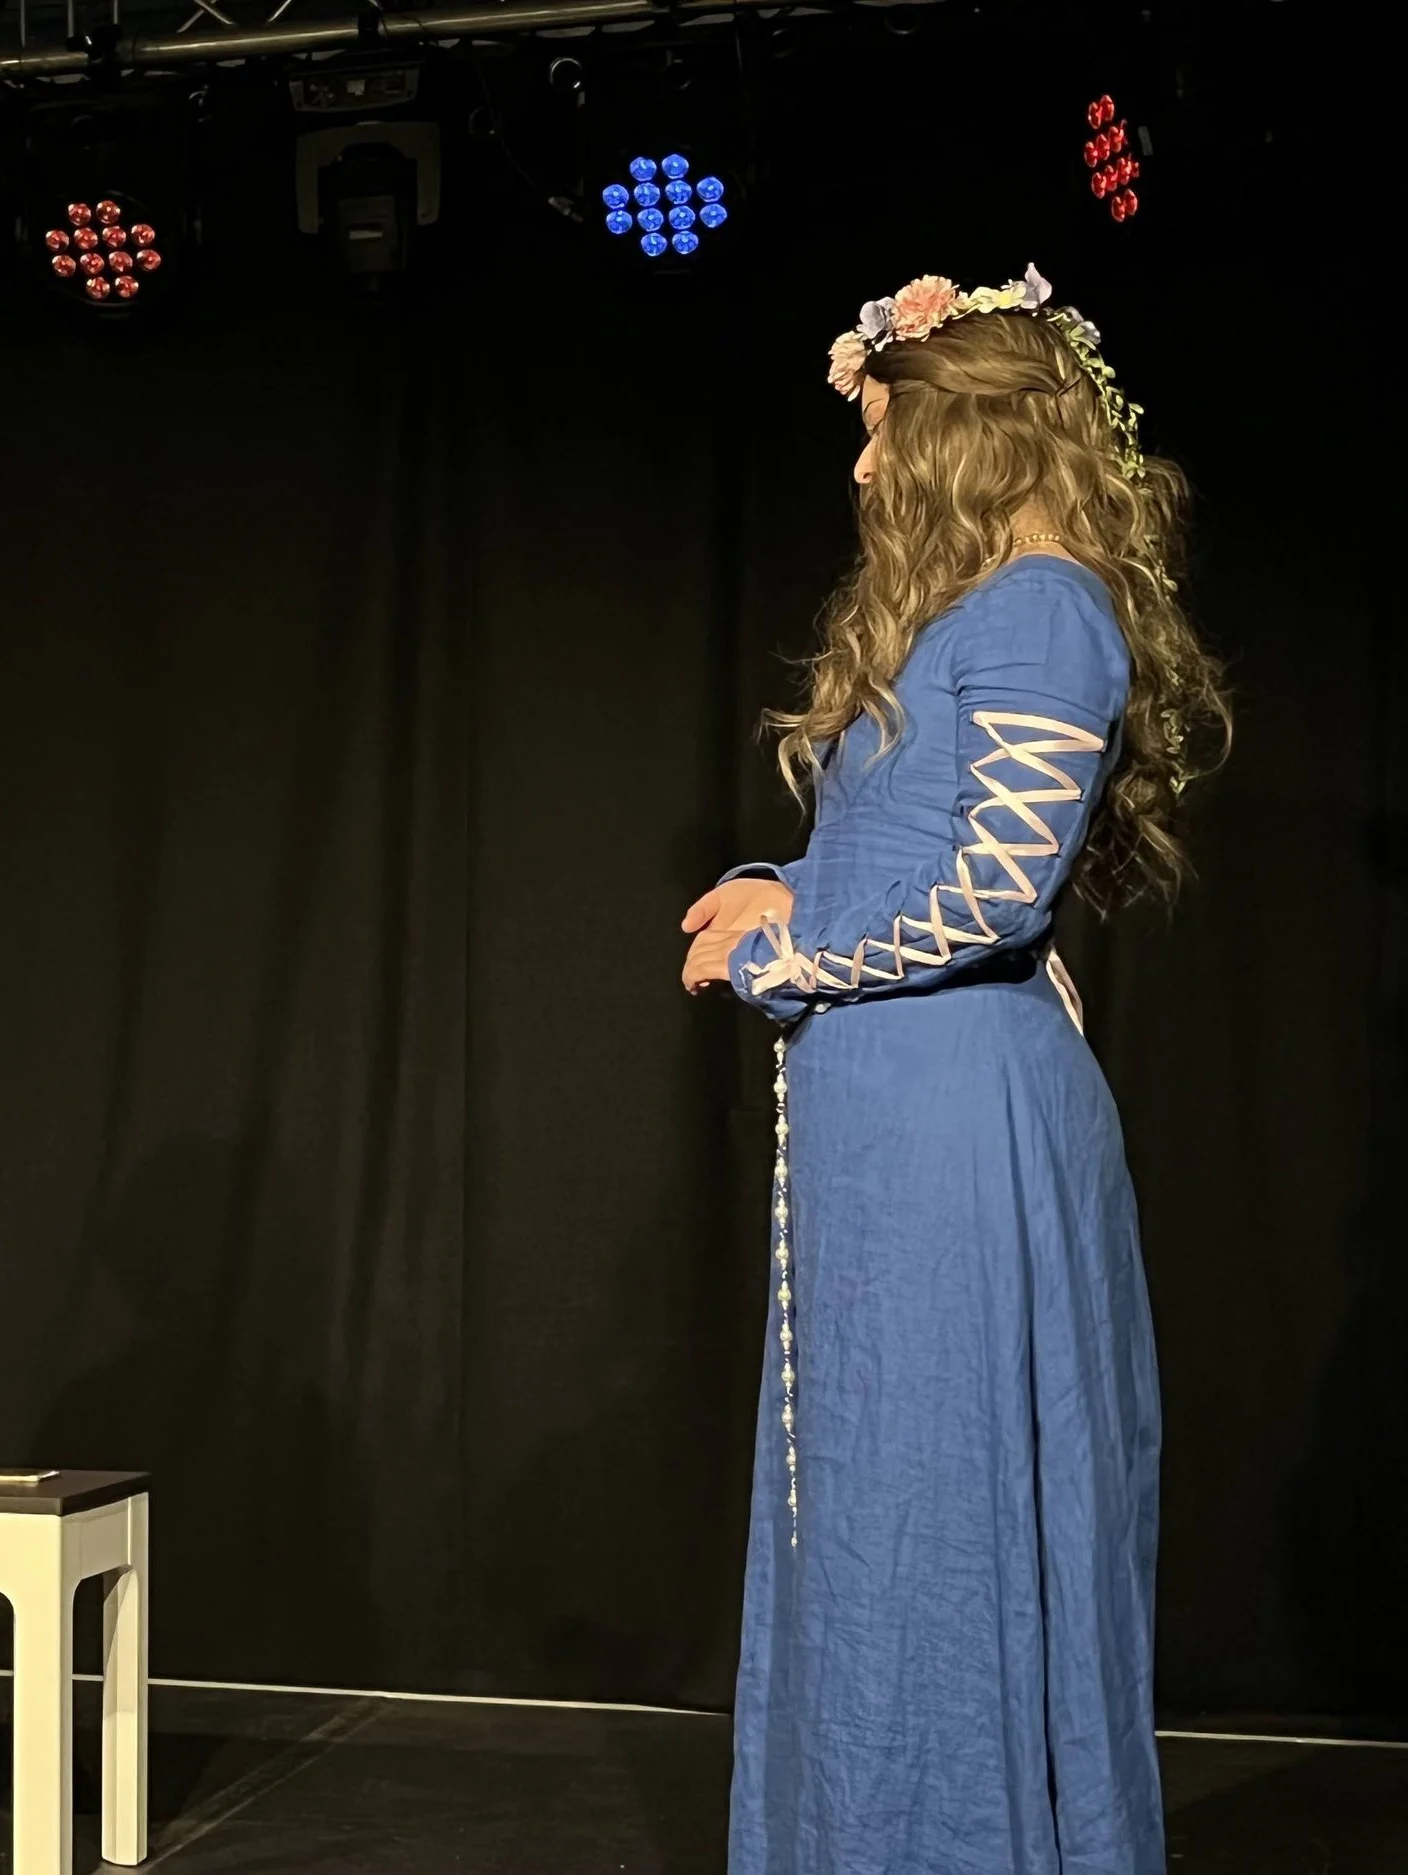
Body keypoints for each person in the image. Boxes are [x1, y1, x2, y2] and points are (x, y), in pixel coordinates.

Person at [679, 268, 1228, 1875]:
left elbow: (996, 890)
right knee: (877, 1505)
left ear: (963, 429)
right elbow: (909, 847)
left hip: (958, 1130)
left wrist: (786, 958)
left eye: (878, 427)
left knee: (946, 1509)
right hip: (888, 1120)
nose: (861, 468)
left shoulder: (1046, 606)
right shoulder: (969, 615)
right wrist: (790, 882)